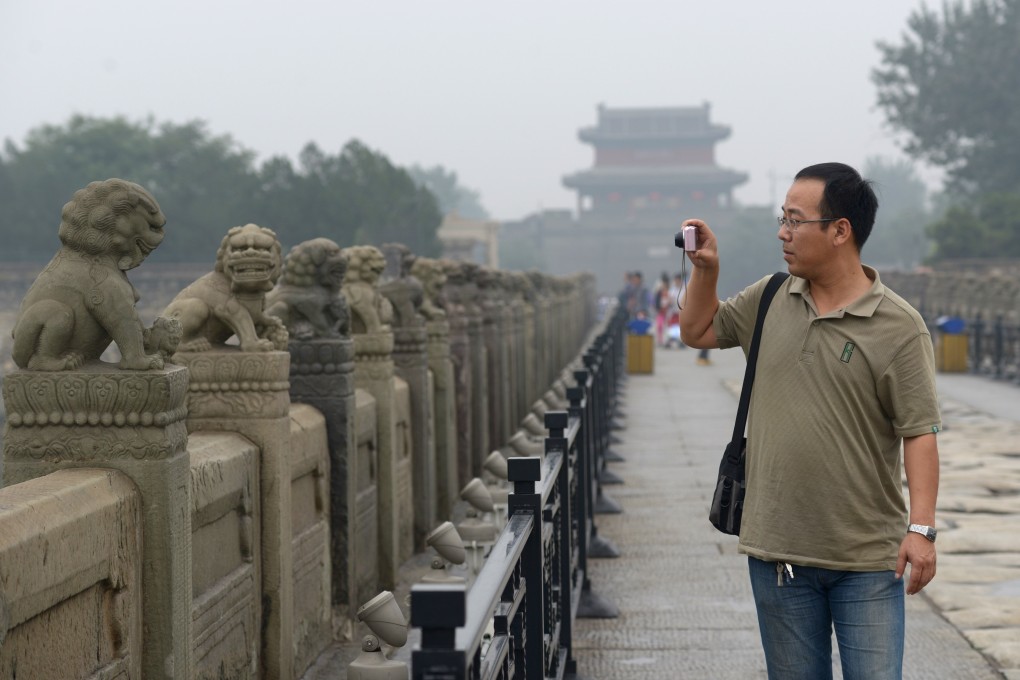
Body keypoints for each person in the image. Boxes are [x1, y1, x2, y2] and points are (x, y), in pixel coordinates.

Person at [678, 162, 940, 679]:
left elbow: (919, 432)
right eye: (783, 218)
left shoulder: (899, 326)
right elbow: (698, 330)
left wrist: (922, 529)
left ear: (840, 230)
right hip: (779, 552)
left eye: (795, 221)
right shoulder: (772, 297)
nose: (783, 232)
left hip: (868, 557)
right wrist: (706, 270)